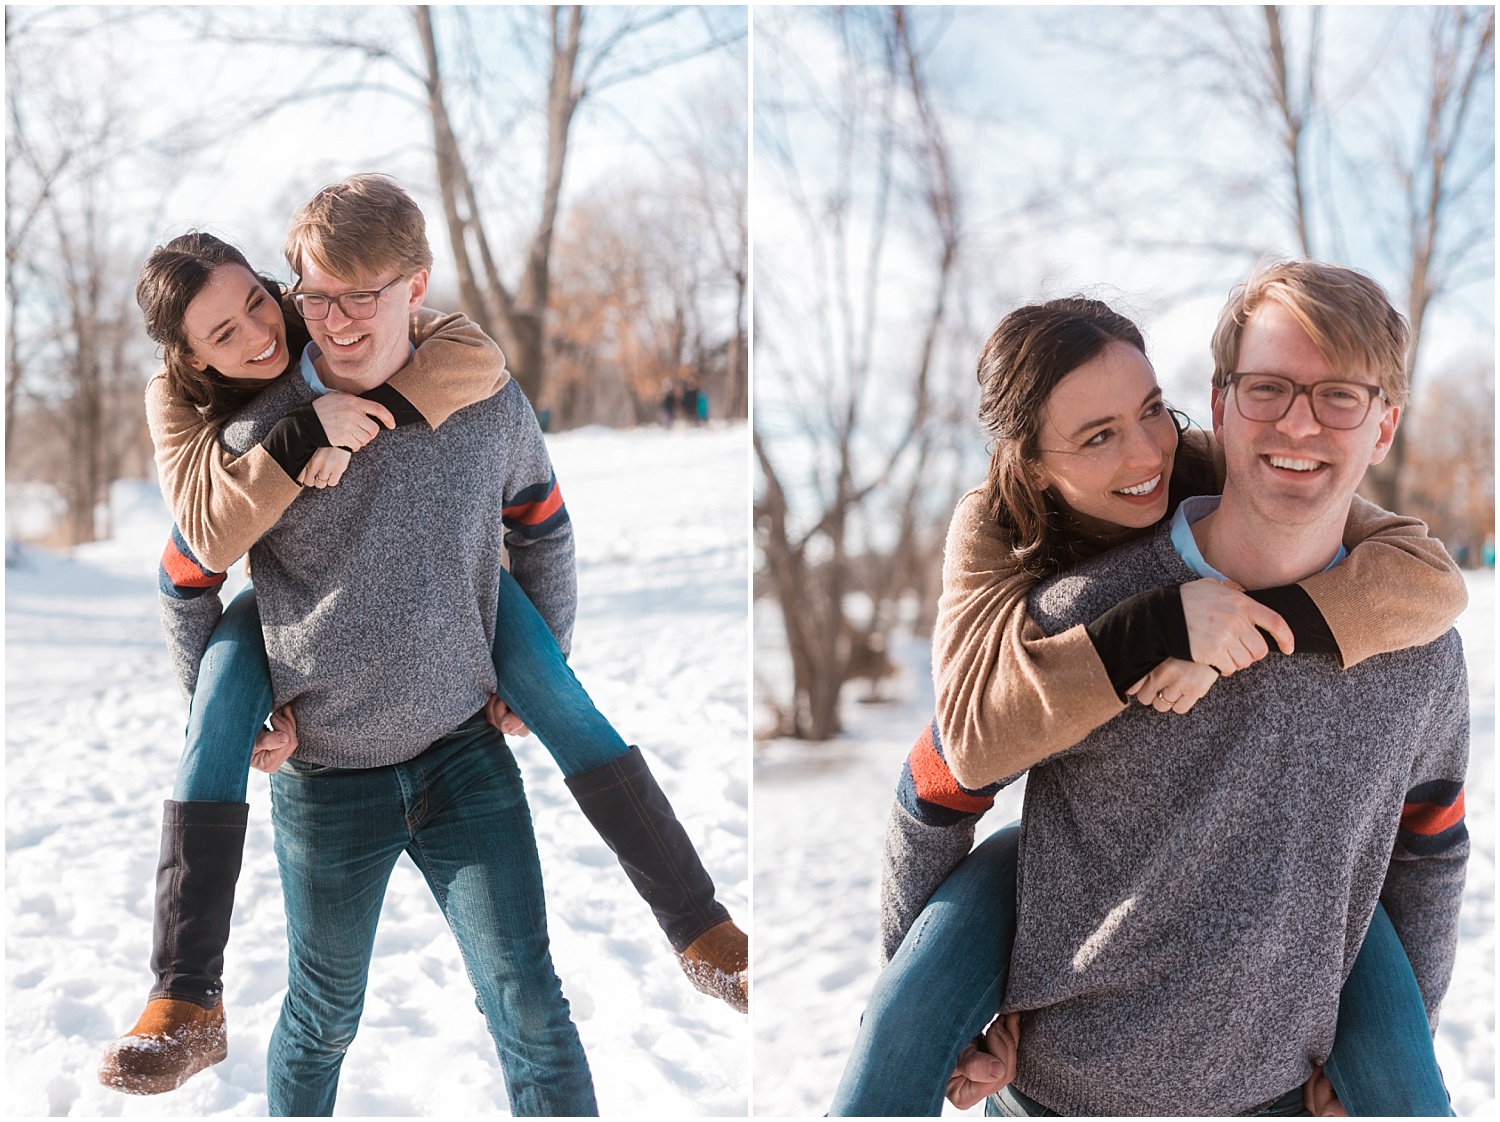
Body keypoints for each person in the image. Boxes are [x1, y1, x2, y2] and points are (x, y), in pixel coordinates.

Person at [97, 179, 744, 1111]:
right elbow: (188, 565)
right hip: (327, 780)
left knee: (528, 1002)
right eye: (316, 297)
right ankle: (184, 995)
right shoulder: (228, 430)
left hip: (464, 760)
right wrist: (235, 717)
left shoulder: (473, 386)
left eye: (266, 305)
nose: (315, 322)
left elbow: (541, 520)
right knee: (321, 1017)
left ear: (413, 285)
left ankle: (701, 927)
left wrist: (542, 651)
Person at [829, 272, 1467, 1115]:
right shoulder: (1059, 613)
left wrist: (1385, 1058)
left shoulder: (1411, 642)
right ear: (1226, 401)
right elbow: (947, 773)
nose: (1300, 423)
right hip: (1058, 1099)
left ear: (1385, 426)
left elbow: (1429, 848)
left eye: (1340, 397)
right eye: (1268, 388)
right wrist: (943, 1016)